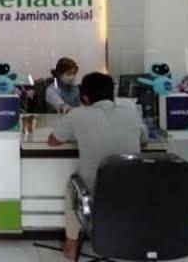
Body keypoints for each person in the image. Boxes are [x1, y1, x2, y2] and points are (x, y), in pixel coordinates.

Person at [47, 72, 148, 261]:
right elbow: (144, 141)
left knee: (72, 189)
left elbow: (53, 141)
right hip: (133, 188)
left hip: (94, 190)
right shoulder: (131, 111)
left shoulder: (77, 114)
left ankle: (71, 246)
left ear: (85, 97)